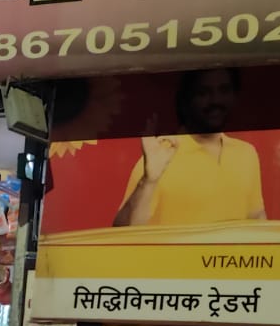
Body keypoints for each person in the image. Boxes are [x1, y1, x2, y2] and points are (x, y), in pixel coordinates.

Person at [112, 67, 266, 228]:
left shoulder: (246, 153)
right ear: (186, 99)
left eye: (224, 90)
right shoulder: (161, 158)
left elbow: (257, 217)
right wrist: (148, 181)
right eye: (203, 92)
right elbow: (123, 232)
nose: (215, 100)